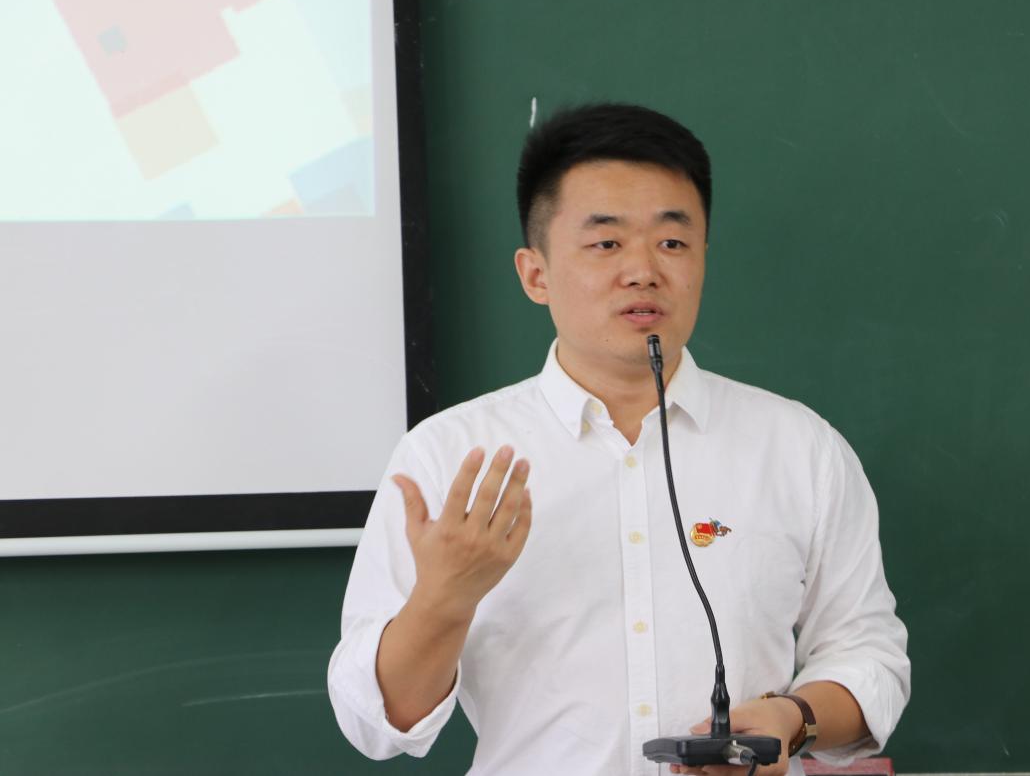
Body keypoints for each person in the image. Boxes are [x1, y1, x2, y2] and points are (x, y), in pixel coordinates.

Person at [327, 103, 910, 775]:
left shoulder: (799, 447)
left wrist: (794, 718)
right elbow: (375, 724)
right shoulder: (450, 455)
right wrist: (444, 597)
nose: (643, 270)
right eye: (606, 244)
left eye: (672, 243)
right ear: (536, 274)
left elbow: (869, 654)